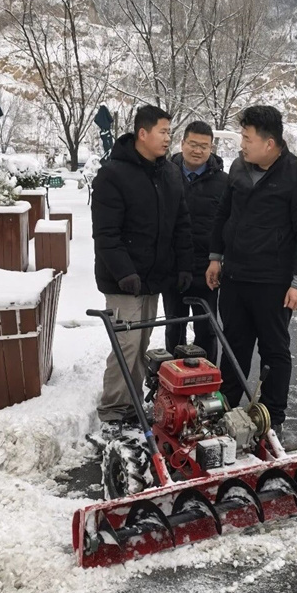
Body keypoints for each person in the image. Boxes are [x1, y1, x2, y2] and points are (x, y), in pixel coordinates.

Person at [206, 105, 297, 439]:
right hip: (236, 278)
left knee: (274, 349)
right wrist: (216, 257)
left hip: (273, 283)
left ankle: (272, 418)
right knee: (234, 346)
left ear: (269, 144)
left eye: (247, 138)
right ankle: (225, 410)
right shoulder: (239, 168)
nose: (242, 144)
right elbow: (222, 215)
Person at [92, 105, 193, 420]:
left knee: (142, 340)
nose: (168, 139)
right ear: (143, 133)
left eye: (169, 132)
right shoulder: (112, 175)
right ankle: (113, 407)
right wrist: (125, 273)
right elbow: (106, 234)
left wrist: (184, 266)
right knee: (127, 345)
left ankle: (132, 402)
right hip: (124, 281)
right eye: (163, 132)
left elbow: (181, 223)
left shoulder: (169, 173)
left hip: (154, 277)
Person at [163, 120, 228, 362]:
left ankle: (205, 384)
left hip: (207, 271)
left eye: (204, 145)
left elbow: (228, 226)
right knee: (173, 328)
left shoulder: (224, 183)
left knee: (207, 330)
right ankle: (170, 387)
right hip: (173, 268)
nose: (198, 150)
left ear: (211, 148)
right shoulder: (165, 174)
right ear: (182, 143)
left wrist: (220, 260)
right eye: (193, 144)